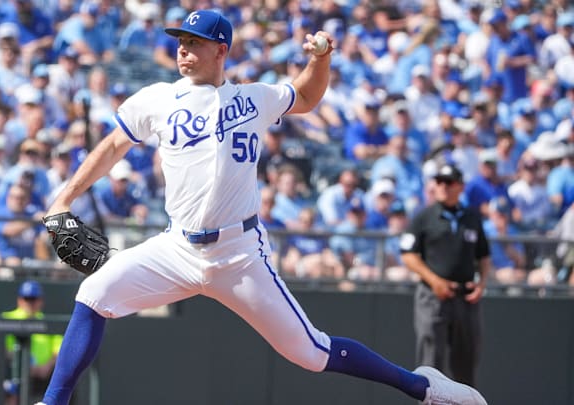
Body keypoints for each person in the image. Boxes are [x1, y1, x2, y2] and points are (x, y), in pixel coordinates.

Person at [37, 10, 486, 405]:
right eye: (180, 43)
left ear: (221, 50)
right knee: (93, 295)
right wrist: (63, 198)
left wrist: (320, 59)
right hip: (176, 248)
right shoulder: (156, 98)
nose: (184, 51)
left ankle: (423, 388)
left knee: (311, 353)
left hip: (239, 254)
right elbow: (113, 145)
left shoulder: (253, 98)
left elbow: (307, 98)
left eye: (194, 43)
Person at [400, 164, 491, 388]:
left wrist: (482, 283)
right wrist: (434, 281)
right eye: (438, 181)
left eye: (448, 182)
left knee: (466, 364)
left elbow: (484, 255)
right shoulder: (425, 216)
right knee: (431, 364)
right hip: (433, 297)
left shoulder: (471, 218)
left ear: (460, 186)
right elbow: (408, 255)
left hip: (465, 297)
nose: (442, 186)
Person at [2, 280, 62, 403]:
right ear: (20, 300)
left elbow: (58, 349)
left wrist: (47, 366)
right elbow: (4, 349)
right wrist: (26, 366)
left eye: (34, 299)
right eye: (27, 299)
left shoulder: (48, 321)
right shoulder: (8, 318)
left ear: (41, 301)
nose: (30, 303)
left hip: (43, 378)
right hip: (15, 376)